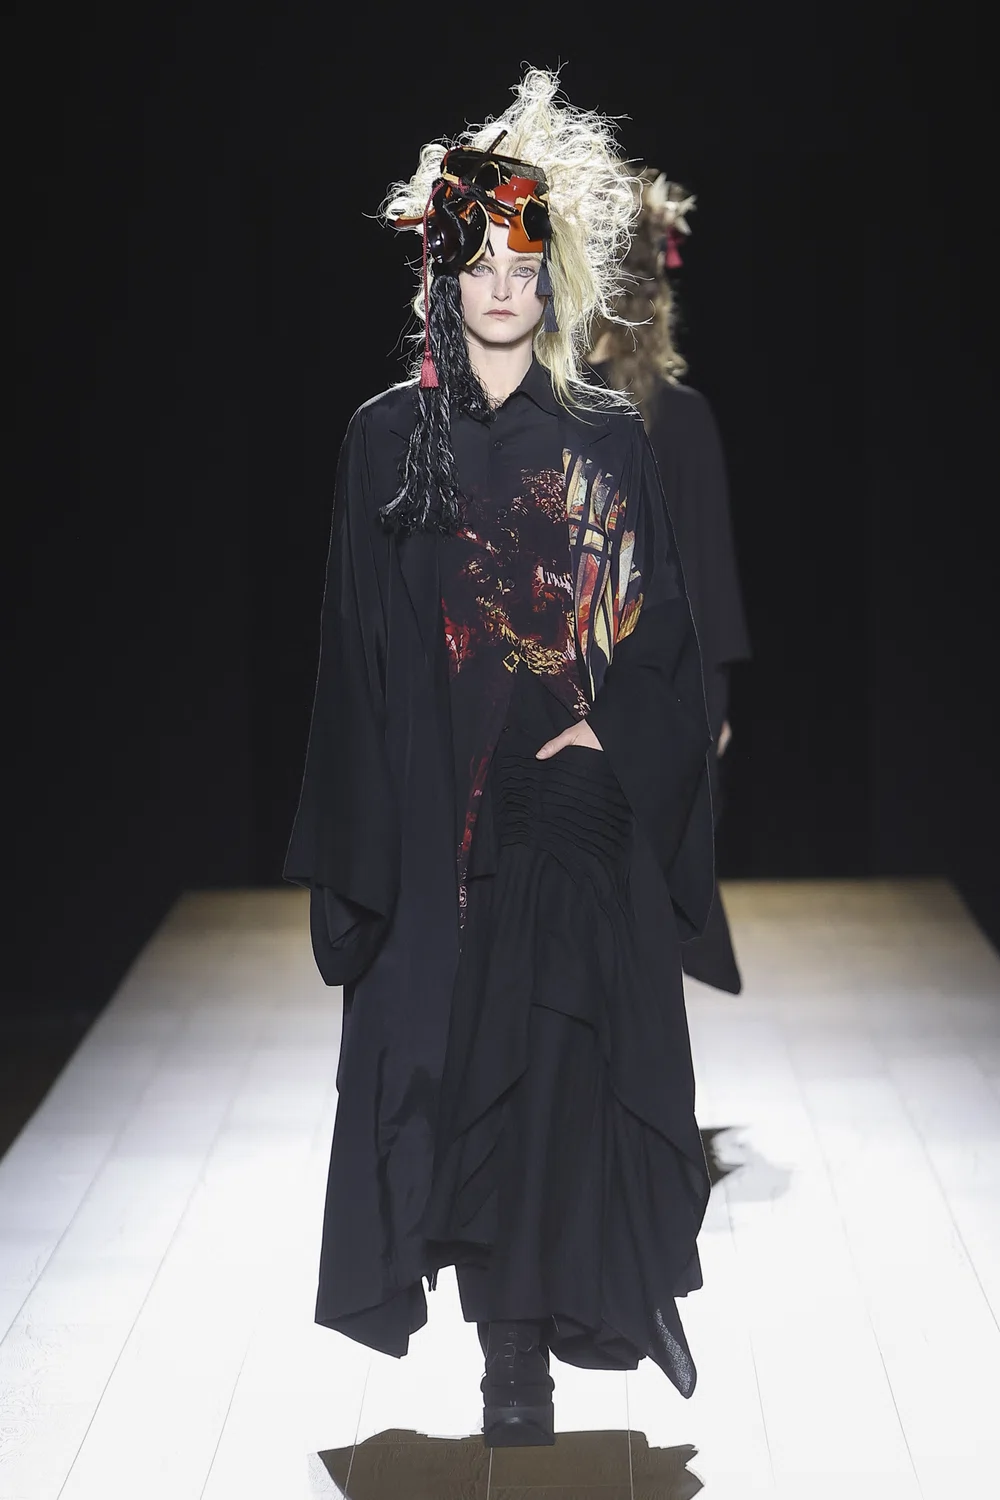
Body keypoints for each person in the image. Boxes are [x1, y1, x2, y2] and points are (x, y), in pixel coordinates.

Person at [285, 71, 714, 1448]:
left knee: (544, 1084)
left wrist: (610, 733)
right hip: (429, 823)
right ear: (442, 274)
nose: (504, 288)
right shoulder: (380, 443)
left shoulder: (603, 438)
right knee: (436, 1080)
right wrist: (354, 851)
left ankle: (515, 1364)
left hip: (559, 820)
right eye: (479, 265)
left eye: (524, 266)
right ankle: (490, 1336)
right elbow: (351, 650)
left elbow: (662, 629)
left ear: (552, 274)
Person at [590, 170, 751, 994]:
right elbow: (710, 580)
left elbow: (706, 575)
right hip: (620, 691)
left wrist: (710, 708)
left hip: (616, 691)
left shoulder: (654, 418)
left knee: (617, 921)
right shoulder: (666, 415)